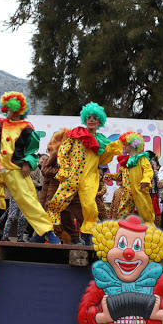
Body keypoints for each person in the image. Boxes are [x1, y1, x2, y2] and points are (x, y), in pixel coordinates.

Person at [77, 216, 163, 324]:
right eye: (121, 245)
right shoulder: (102, 280)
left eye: (137, 247)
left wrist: (158, 314)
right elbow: (83, 318)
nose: (128, 253)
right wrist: (103, 317)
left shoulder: (159, 280)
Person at [0, 92, 59, 244]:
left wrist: (26, 163)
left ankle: (47, 231)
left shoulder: (27, 128)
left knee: (28, 201)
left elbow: (31, 150)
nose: (10, 112)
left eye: (13, 109)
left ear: (20, 110)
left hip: (16, 170)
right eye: (7, 108)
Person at [47, 103, 121, 243]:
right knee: (57, 202)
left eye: (94, 118)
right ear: (84, 119)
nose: (91, 120)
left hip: (89, 178)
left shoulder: (102, 141)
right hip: (72, 175)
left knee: (90, 208)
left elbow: (103, 159)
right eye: (88, 117)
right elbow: (63, 151)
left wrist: (112, 149)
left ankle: (88, 235)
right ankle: (48, 231)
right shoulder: (76, 134)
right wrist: (64, 168)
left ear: (99, 121)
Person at [104, 132, 155, 225]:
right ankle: (120, 233)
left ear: (132, 144)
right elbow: (120, 175)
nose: (123, 146)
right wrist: (110, 176)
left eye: (125, 144)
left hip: (140, 190)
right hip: (127, 192)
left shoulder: (141, 159)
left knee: (146, 214)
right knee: (122, 214)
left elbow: (148, 170)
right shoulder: (125, 161)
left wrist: (146, 180)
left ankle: (150, 233)